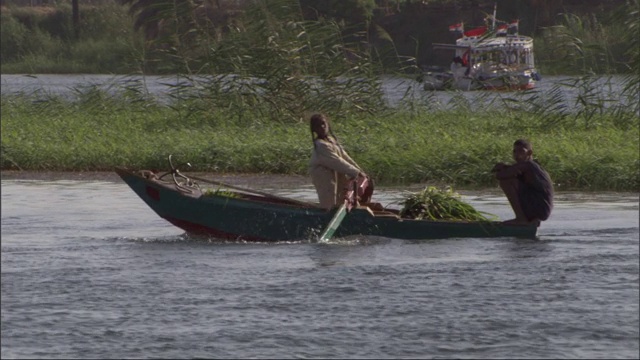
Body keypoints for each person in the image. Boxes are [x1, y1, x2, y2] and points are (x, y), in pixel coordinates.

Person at [309, 113, 367, 210]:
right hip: (322, 174)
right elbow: (337, 161)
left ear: (328, 124)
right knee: (328, 199)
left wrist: (360, 171)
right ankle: (327, 215)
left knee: (341, 195)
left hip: (335, 171)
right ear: (314, 129)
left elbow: (345, 157)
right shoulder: (320, 145)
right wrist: (355, 172)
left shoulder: (332, 140)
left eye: (324, 124)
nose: (322, 127)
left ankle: (340, 211)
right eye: (318, 126)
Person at [491, 139, 554, 225]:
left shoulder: (528, 165)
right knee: (511, 178)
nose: (517, 155)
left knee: (506, 182)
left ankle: (521, 219)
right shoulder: (529, 166)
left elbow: (500, 176)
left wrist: (502, 168)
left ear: (529, 153)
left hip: (540, 210)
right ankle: (531, 220)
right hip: (540, 210)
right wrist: (506, 168)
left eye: (521, 151)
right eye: (515, 151)